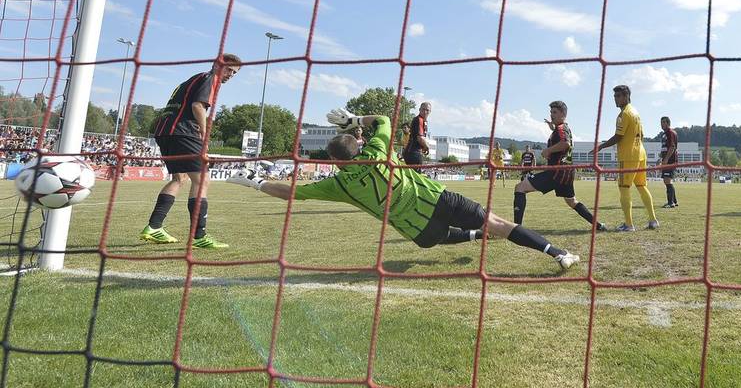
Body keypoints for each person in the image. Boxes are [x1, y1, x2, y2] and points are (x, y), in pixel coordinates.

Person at [228, 111, 580, 270]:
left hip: (416, 228)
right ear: (360, 145)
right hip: (438, 198)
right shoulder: (379, 151)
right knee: (498, 223)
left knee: (435, 239)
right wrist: (354, 120)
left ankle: (473, 236)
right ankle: (559, 253)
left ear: (335, 161)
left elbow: (289, 193)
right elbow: (382, 120)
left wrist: (254, 182)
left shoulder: (338, 184)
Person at [140, 54, 242, 248]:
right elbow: (197, 105)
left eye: (234, 73)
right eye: (228, 69)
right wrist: (204, 133)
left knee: (179, 179)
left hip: (164, 132)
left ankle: (154, 227)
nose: (230, 75)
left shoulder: (193, 78)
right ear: (217, 65)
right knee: (202, 180)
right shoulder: (210, 78)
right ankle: (199, 236)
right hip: (183, 133)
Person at [513, 101, 607, 231]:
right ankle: (598, 225)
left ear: (563, 113)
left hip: (556, 173)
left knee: (520, 187)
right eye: (551, 112)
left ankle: (517, 229)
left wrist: (548, 150)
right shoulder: (562, 128)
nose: (552, 115)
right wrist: (552, 129)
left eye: (555, 112)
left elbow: (565, 143)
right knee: (572, 201)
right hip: (566, 173)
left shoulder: (561, 128)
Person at [593, 85, 657, 231]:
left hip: (628, 156)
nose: (615, 99)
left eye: (618, 96)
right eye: (614, 96)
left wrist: (601, 146)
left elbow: (618, 136)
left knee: (624, 188)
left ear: (626, 96)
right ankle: (653, 220)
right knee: (642, 187)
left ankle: (629, 225)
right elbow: (642, 134)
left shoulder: (623, 115)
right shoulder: (636, 112)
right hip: (641, 154)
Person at [659, 116, 679, 208]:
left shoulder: (671, 132)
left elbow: (672, 147)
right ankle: (674, 201)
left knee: (667, 180)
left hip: (670, 161)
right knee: (667, 181)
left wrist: (666, 159)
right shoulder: (664, 134)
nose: (661, 124)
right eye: (661, 122)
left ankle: (670, 202)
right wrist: (661, 158)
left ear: (668, 123)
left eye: (663, 122)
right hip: (666, 160)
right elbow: (664, 148)